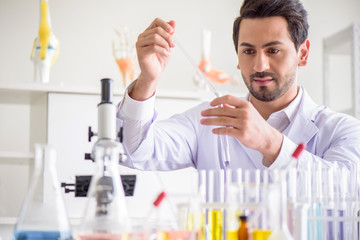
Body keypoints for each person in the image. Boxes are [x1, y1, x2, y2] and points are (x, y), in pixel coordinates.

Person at [117, 0, 360, 172]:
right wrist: (148, 78)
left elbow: (346, 191)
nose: (259, 65)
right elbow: (133, 151)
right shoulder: (209, 120)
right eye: (248, 51)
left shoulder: (342, 130)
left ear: (303, 53)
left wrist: (270, 143)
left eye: (273, 50)